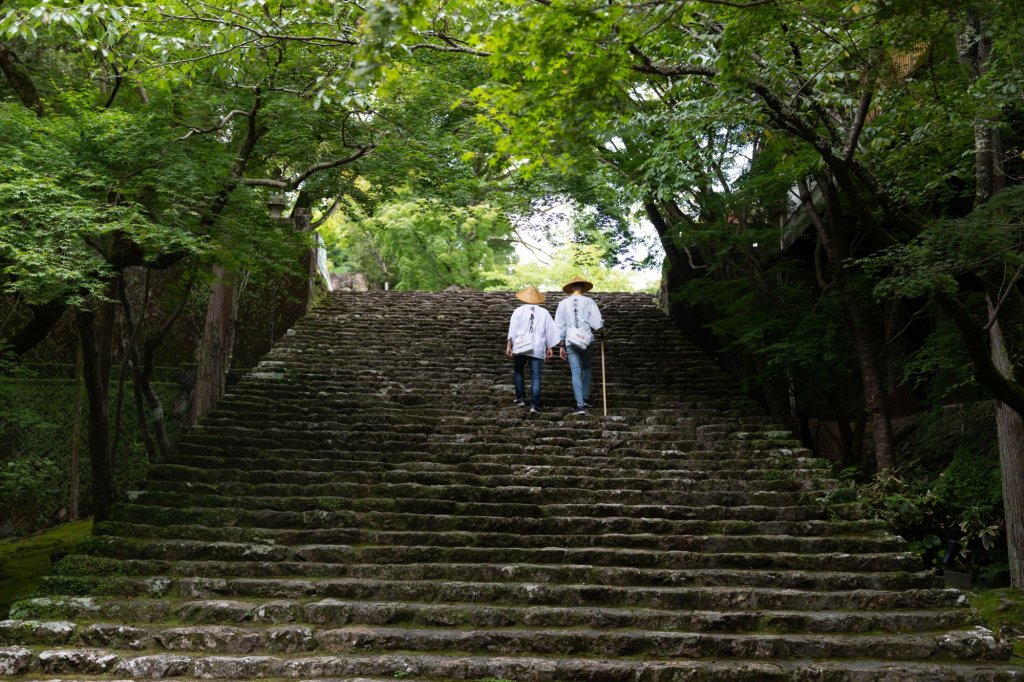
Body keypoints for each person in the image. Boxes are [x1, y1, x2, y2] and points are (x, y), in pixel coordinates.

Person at [506, 285, 559, 414]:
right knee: (536, 376)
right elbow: (550, 330)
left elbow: (512, 329)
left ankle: (520, 398)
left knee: (518, 371)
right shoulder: (544, 312)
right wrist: (549, 346)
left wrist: (509, 345)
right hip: (538, 347)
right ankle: (534, 405)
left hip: (521, 346)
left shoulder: (518, 311)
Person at [555, 275, 604, 415]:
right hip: (587, 339)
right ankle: (586, 397)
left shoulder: (563, 303)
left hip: (571, 340)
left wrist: (561, 345)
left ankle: (580, 406)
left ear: (571, 288)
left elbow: (560, 325)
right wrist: (602, 331)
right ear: (582, 287)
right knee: (586, 367)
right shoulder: (589, 301)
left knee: (575, 371)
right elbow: (596, 323)